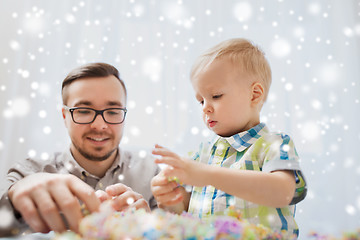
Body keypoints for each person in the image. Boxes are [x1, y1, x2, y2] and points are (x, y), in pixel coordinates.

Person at [151, 38, 307, 237]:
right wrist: (172, 199)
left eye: (216, 96)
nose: (206, 107)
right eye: (201, 101)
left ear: (254, 95)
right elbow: (188, 214)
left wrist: (207, 174)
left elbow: (284, 191)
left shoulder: (274, 144)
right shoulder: (202, 153)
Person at [0, 62, 159, 237]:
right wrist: (15, 196)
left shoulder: (152, 173)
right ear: (64, 116)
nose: (100, 125)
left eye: (113, 111)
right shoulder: (29, 172)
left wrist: (151, 228)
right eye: (84, 111)